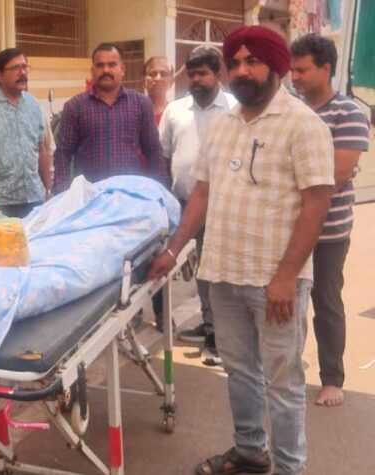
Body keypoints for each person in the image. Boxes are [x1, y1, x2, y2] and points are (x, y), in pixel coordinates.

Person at [148, 26, 334, 475]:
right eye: (234, 63)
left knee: (284, 383)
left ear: (277, 67)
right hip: (223, 273)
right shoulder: (222, 126)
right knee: (240, 371)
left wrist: (286, 277)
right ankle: (251, 451)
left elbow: (317, 203)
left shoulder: (303, 124)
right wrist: (174, 250)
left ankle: (290, 468)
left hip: (276, 282)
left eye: (253, 61)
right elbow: (202, 193)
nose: (241, 71)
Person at [290, 34, 370, 407]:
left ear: (326, 69)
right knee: (285, 303)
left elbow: (336, 175)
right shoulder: (291, 111)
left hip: (329, 230)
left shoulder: (349, 113)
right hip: (288, 228)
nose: (295, 77)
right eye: (292, 70)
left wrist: (286, 188)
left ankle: (332, 379)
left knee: (325, 302)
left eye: (302, 70)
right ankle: (287, 370)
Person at [159, 47, 238, 365]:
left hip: (220, 207)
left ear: (218, 75)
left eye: (202, 73)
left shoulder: (235, 108)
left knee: (215, 273)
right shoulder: (175, 110)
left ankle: (219, 339)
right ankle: (209, 325)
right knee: (190, 271)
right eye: (191, 74)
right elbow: (164, 155)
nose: (195, 79)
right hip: (181, 205)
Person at [53, 42, 166, 193]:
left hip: (129, 195)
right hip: (89, 196)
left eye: (112, 65)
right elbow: (63, 153)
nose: (106, 70)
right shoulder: (75, 107)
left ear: (122, 69)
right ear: (93, 71)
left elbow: (153, 150)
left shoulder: (141, 104)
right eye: (100, 65)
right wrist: (62, 192)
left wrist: (159, 190)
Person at [0, 48, 51, 218]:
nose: (23, 72)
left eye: (25, 67)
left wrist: (48, 190)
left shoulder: (34, 105)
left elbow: (41, 149)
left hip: (34, 196)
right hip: (0, 200)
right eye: (15, 68)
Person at [143, 55, 174, 124]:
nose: (158, 78)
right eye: (152, 74)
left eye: (163, 74)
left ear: (171, 81)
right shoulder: (135, 113)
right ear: (143, 81)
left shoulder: (175, 113)